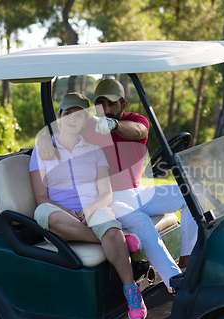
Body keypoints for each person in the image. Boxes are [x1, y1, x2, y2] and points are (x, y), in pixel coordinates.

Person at [39, 79, 198, 292]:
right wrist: (45, 141)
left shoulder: (136, 121)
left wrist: (114, 125)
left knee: (191, 193)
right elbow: (64, 134)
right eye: (100, 103)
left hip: (137, 190)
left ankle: (187, 261)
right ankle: (175, 282)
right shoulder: (89, 126)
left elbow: (138, 130)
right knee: (142, 222)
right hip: (111, 197)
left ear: (124, 104)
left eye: (112, 103)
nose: (105, 109)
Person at [30, 93, 147, 319]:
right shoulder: (42, 150)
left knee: (107, 223)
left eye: (79, 115)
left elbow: (106, 193)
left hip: (92, 208)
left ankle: (131, 291)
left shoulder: (95, 150)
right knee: (43, 212)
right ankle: (117, 238)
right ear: (60, 116)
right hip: (59, 213)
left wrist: (91, 208)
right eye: (66, 113)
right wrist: (65, 210)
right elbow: (41, 197)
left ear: (85, 120)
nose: (72, 119)